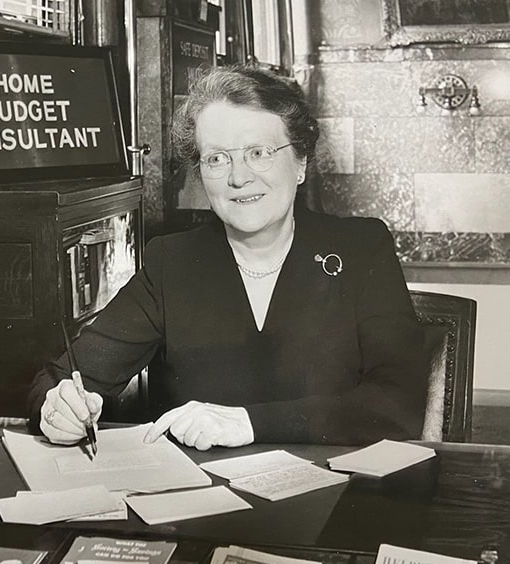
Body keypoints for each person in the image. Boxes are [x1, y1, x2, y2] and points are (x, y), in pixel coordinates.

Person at [27, 65, 427, 450]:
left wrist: (250, 424)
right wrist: (58, 409)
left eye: (259, 152)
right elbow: (59, 379)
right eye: (217, 158)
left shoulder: (360, 247)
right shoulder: (173, 263)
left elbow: (398, 405)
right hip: (202, 508)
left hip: (335, 500)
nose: (238, 176)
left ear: (301, 162)